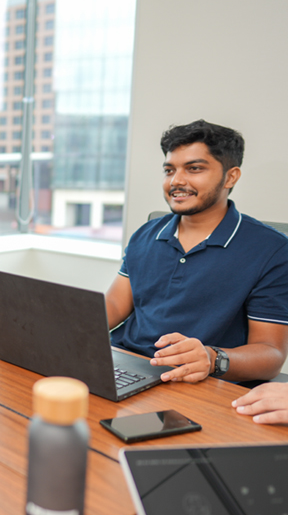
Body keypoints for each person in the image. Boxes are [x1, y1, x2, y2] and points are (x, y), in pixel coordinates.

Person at [105, 119, 288, 384]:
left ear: (231, 176)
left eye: (194, 169)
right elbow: (113, 304)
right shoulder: (146, 233)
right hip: (124, 363)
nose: (176, 181)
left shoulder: (272, 250)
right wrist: (66, 321)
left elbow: (270, 355)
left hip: (197, 381)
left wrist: (212, 358)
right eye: (169, 170)